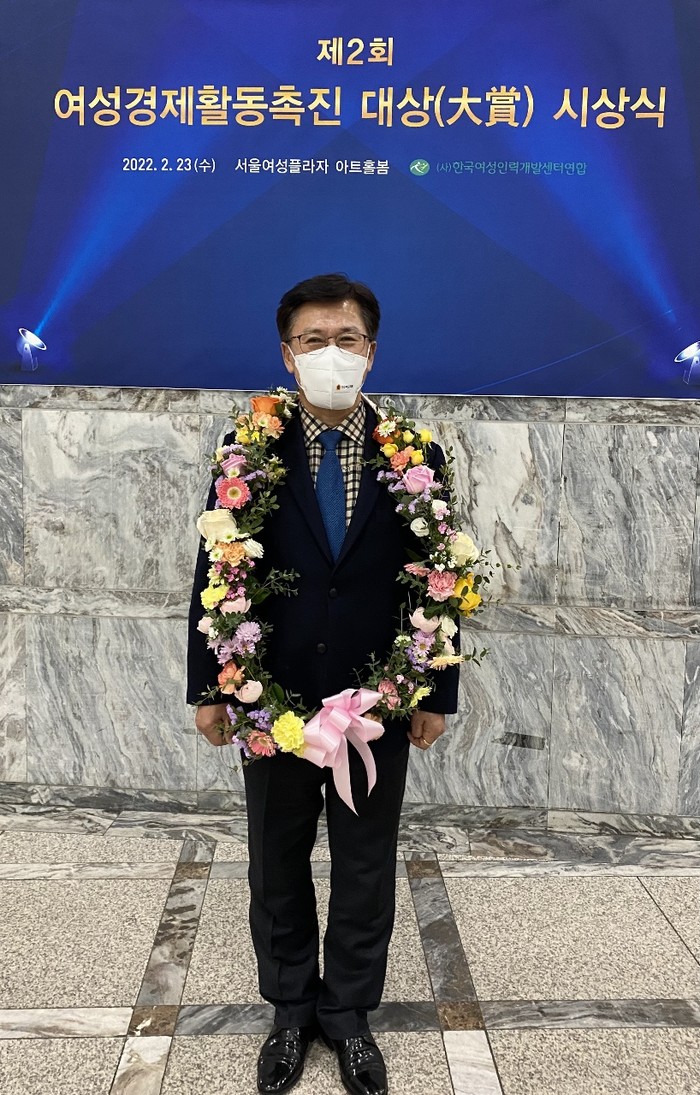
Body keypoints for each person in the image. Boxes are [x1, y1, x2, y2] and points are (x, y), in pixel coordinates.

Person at [187, 273, 460, 1095]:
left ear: (371, 350)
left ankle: (347, 1015)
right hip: (270, 695)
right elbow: (213, 566)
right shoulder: (248, 449)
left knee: (365, 863)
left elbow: (437, 575)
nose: (330, 353)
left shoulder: (415, 454)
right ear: (287, 353)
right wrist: (211, 686)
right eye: (313, 341)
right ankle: (289, 1011)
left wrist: (434, 692)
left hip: (376, 702)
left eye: (346, 339)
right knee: (275, 862)